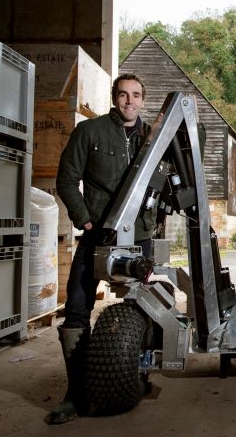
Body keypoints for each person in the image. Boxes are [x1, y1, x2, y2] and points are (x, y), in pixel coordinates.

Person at [47, 73, 156, 424]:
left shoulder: (152, 137)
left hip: (139, 236)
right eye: (123, 95)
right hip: (99, 236)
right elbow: (66, 179)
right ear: (114, 97)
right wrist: (85, 221)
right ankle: (76, 394)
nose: (130, 101)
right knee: (78, 306)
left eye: (136, 95)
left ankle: (137, 376)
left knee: (148, 305)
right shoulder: (89, 132)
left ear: (143, 100)